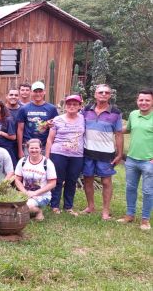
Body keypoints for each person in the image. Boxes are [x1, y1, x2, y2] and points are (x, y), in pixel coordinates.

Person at [81, 84, 123, 220]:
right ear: (95, 95)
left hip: (105, 154)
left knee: (106, 182)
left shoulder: (116, 113)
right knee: (88, 180)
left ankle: (105, 211)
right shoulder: (86, 110)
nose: (103, 94)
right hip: (87, 152)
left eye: (106, 92)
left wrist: (119, 154)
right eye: (100, 92)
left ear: (110, 95)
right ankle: (90, 206)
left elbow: (118, 134)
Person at [46, 95, 85, 215]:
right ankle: (55, 205)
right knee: (57, 180)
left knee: (71, 180)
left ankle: (68, 206)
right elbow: (49, 139)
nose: (72, 106)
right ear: (65, 106)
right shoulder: (57, 119)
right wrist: (47, 157)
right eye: (69, 104)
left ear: (79, 106)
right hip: (58, 153)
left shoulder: (83, 118)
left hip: (77, 155)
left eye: (75, 104)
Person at [119, 89, 153, 230]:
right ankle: (130, 215)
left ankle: (145, 219)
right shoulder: (133, 114)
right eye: (141, 100)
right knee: (130, 188)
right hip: (132, 159)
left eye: (147, 100)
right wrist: (110, 127)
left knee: (148, 191)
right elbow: (128, 129)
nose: (143, 102)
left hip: (148, 161)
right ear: (137, 101)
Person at [14, 139, 57, 221]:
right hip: (25, 193)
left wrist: (35, 193)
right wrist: (24, 192)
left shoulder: (47, 163)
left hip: (42, 195)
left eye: (36, 148)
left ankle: (38, 211)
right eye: (31, 148)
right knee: (10, 205)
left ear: (41, 149)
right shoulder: (22, 161)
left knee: (26, 206)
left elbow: (53, 183)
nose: (34, 150)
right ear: (27, 149)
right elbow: (17, 179)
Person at [16, 81, 58, 158]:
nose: (38, 94)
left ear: (44, 92)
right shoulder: (24, 109)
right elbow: (20, 130)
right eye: (35, 91)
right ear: (31, 92)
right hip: (28, 145)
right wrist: (20, 150)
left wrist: (47, 125)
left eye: (40, 91)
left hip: (44, 146)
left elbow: (54, 128)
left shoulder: (52, 109)